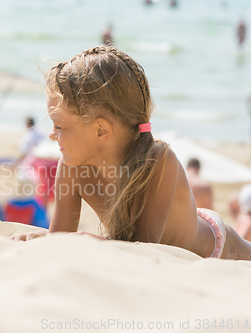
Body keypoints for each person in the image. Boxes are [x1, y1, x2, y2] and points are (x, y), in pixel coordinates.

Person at [13, 45, 251, 260]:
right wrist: (42, 243)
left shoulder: (158, 161)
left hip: (216, 249)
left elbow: (145, 252)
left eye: (59, 126)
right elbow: (60, 239)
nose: (52, 134)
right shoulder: (71, 166)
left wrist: (91, 241)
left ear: (101, 130)